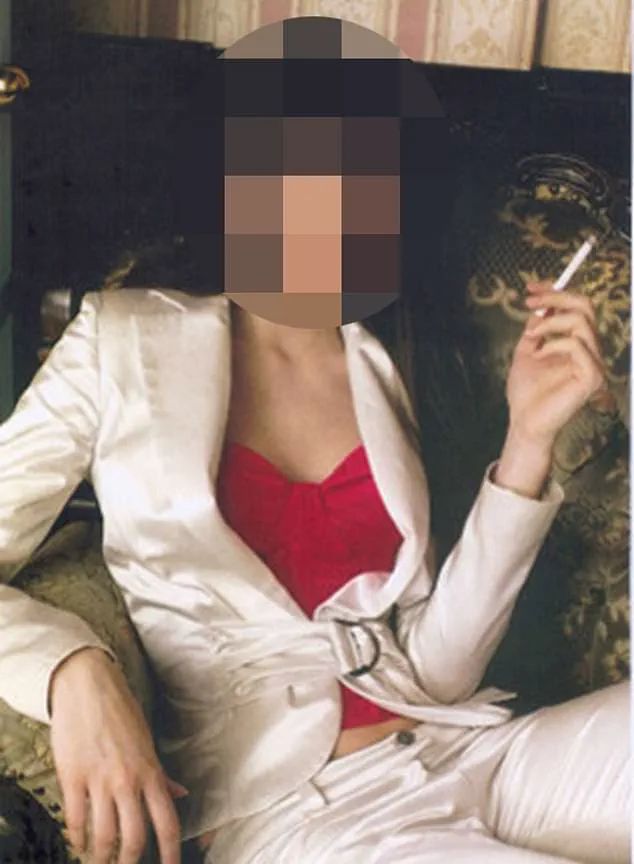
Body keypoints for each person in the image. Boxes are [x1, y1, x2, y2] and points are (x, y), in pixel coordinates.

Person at [0, 17, 630, 864]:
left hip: (465, 750)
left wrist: (528, 441)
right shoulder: (119, 340)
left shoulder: (392, 363)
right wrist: (72, 670)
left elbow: (440, 670)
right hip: (299, 814)